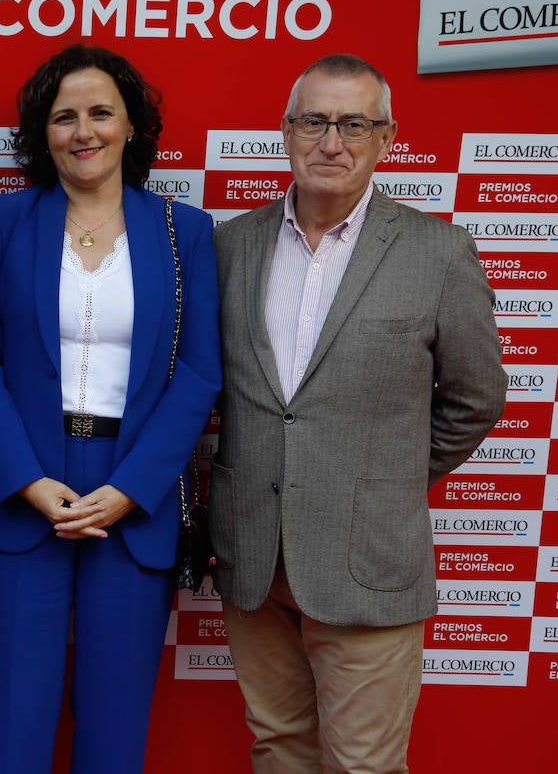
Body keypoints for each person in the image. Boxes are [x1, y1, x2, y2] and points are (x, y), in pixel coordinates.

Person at [211, 53, 507, 773]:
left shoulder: (438, 253)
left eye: (353, 124)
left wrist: (387, 479)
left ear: (387, 139)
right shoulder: (229, 246)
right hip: (254, 557)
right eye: (313, 120)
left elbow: (475, 400)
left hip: (368, 563)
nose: (331, 142)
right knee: (277, 748)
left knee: (363, 766)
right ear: (287, 131)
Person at [0, 44, 222, 774]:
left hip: (132, 498)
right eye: (63, 116)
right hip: (20, 492)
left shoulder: (183, 231)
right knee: (9, 726)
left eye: (101, 112)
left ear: (132, 126)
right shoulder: (5, 223)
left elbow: (199, 375)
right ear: (42, 132)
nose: (83, 131)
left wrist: (133, 488)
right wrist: (29, 483)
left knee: (114, 729)